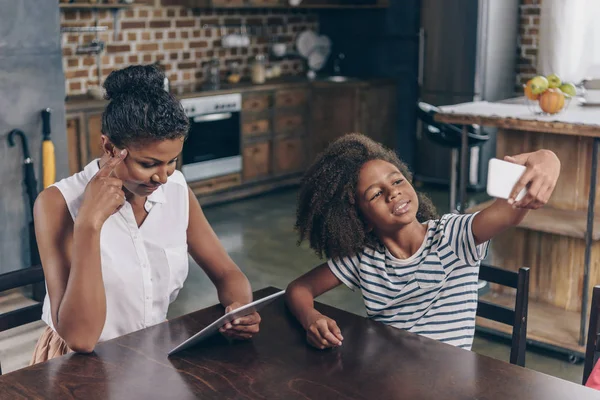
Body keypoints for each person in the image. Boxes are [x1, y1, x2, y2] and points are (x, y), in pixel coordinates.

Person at [31, 65, 260, 363]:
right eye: (149, 164)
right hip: (75, 365)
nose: (162, 178)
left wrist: (239, 310)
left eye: (171, 162)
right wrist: (89, 223)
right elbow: (81, 338)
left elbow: (229, 274)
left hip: (150, 352)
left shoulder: (176, 190)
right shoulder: (56, 203)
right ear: (110, 146)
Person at [285, 133, 560, 350]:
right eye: (375, 194)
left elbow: (510, 211)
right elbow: (299, 289)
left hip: (447, 383)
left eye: (397, 181)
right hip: (388, 379)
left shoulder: (453, 236)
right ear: (359, 218)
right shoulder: (363, 258)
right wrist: (312, 318)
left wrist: (548, 159)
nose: (393, 193)